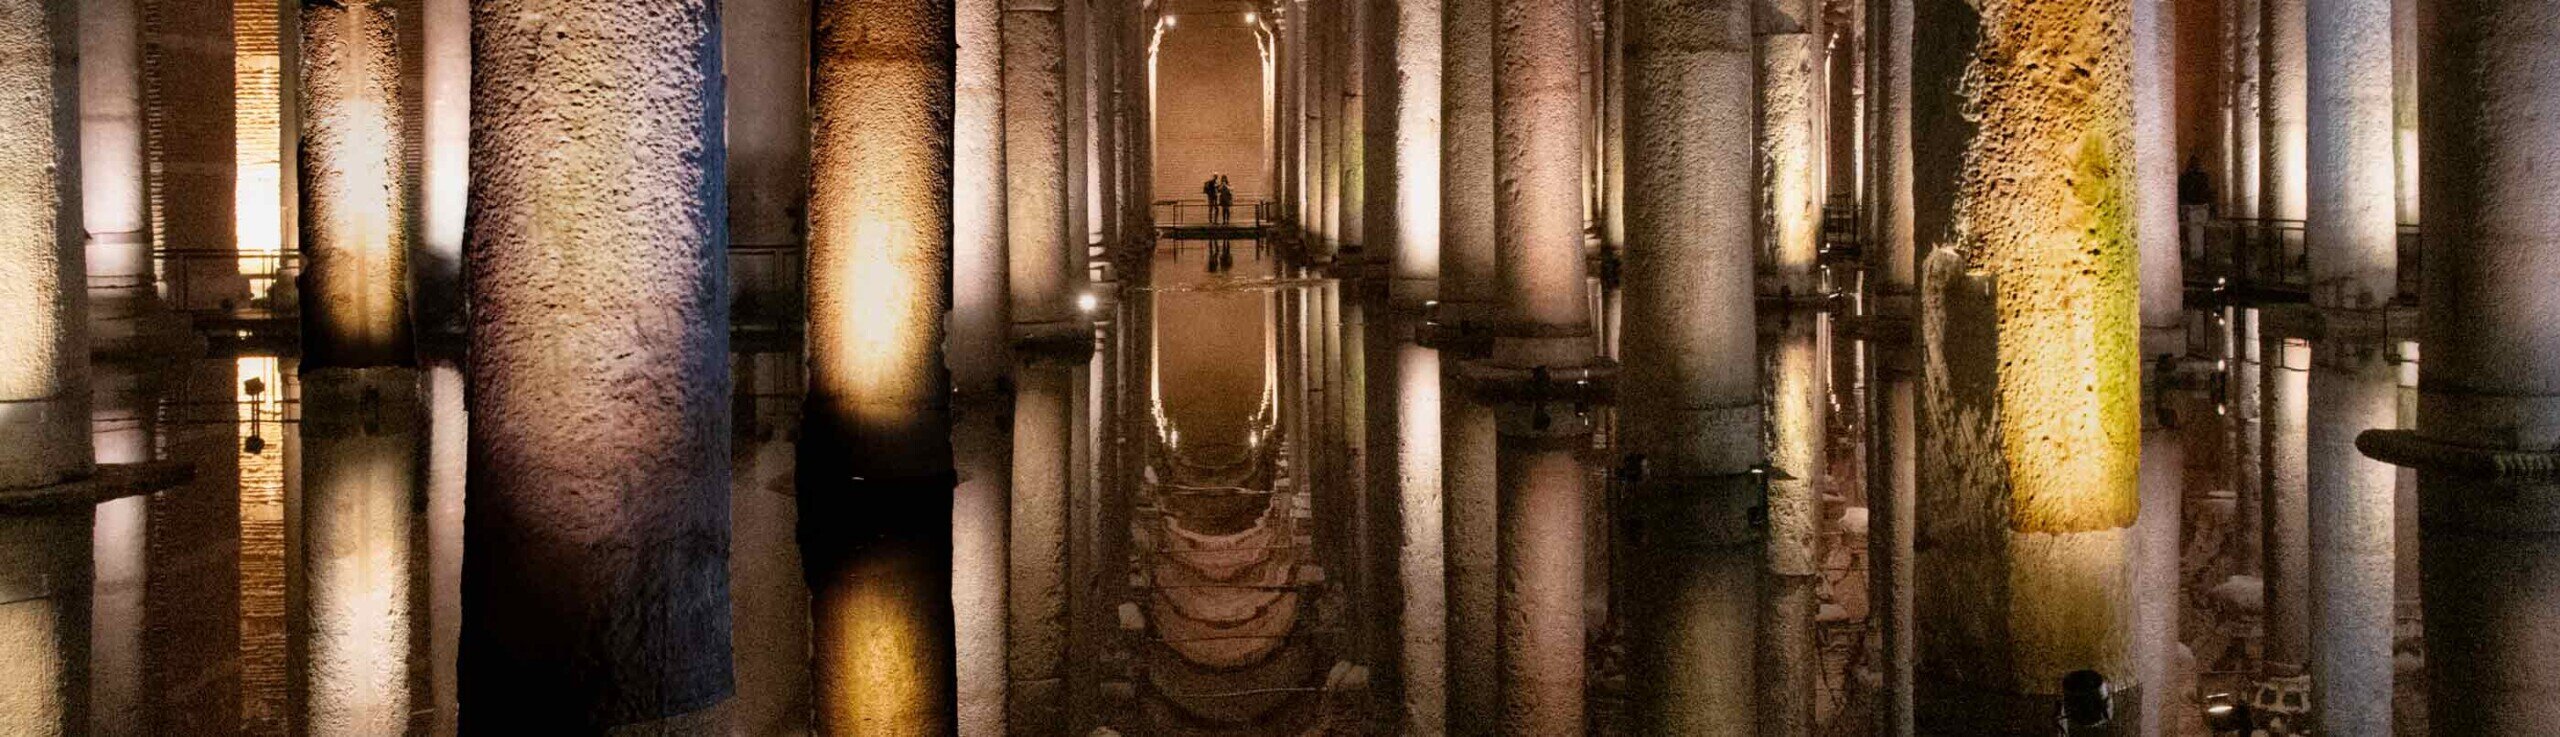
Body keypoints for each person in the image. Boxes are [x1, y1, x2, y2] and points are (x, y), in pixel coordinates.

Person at [2178, 155, 2213, 261]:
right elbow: (2207, 192)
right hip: (2200, 207)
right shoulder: (2203, 177)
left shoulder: (2185, 177)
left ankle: (2196, 255)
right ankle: (2198, 254)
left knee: (2193, 233)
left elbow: (2182, 193)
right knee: (2198, 233)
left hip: (2192, 207)